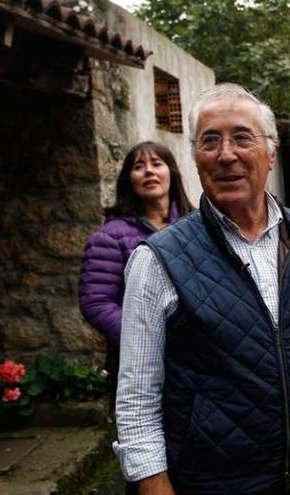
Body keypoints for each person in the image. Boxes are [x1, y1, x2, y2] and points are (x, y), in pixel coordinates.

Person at [113, 83, 290, 495]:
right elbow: (138, 396)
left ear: (271, 151)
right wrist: (153, 483)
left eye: (242, 137)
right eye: (210, 140)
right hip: (214, 482)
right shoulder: (158, 259)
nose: (226, 153)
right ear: (194, 157)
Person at [79, 141, 191, 385]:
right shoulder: (110, 236)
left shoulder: (194, 227)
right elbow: (96, 302)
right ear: (129, 179)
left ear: (171, 172)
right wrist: (144, 340)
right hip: (139, 364)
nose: (149, 171)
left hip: (195, 359)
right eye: (139, 166)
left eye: (157, 163)